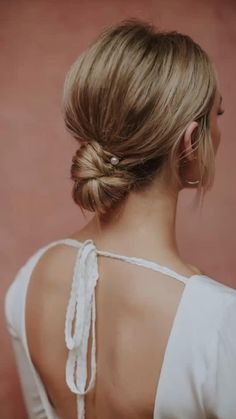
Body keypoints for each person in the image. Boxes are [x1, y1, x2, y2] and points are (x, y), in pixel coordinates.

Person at [4, 18, 236, 419]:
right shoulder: (219, 323)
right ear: (190, 141)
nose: (221, 132)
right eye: (218, 115)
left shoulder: (30, 280)